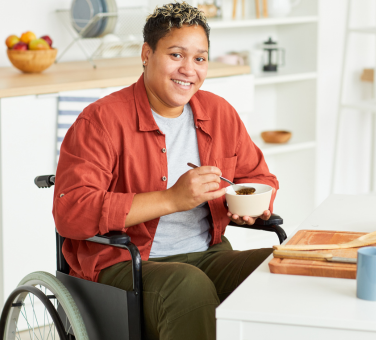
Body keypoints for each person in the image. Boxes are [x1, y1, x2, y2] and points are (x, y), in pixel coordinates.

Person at [52, 2, 279, 339]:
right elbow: (72, 211)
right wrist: (172, 199)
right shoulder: (101, 121)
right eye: (176, 55)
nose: (189, 69)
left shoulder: (219, 113)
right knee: (188, 287)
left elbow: (258, 178)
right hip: (124, 263)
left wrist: (248, 206)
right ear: (146, 54)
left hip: (208, 253)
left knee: (279, 268)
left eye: (199, 58)